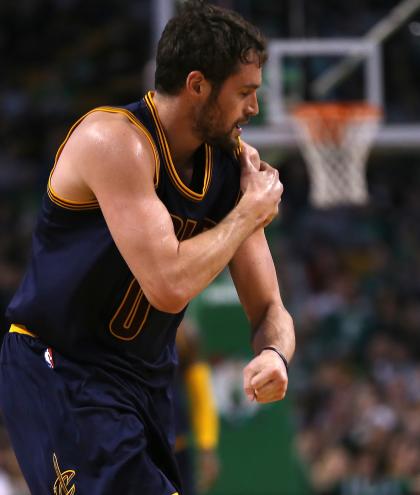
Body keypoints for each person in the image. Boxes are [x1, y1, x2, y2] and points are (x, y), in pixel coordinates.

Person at [0, 1, 295, 494]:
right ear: (198, 85)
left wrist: (274, 355)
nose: (255, 109)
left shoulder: (226, 169)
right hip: (62, 367)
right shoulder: (113, 141)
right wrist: (247, 213)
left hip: (145, 386)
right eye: (244, 92)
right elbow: (168, 285)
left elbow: (270, 307)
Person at [174, 319, 220, 495]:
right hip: (135, 449)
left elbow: (202, 400)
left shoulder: (184, 336)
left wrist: (207, 449)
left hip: (176, 452)